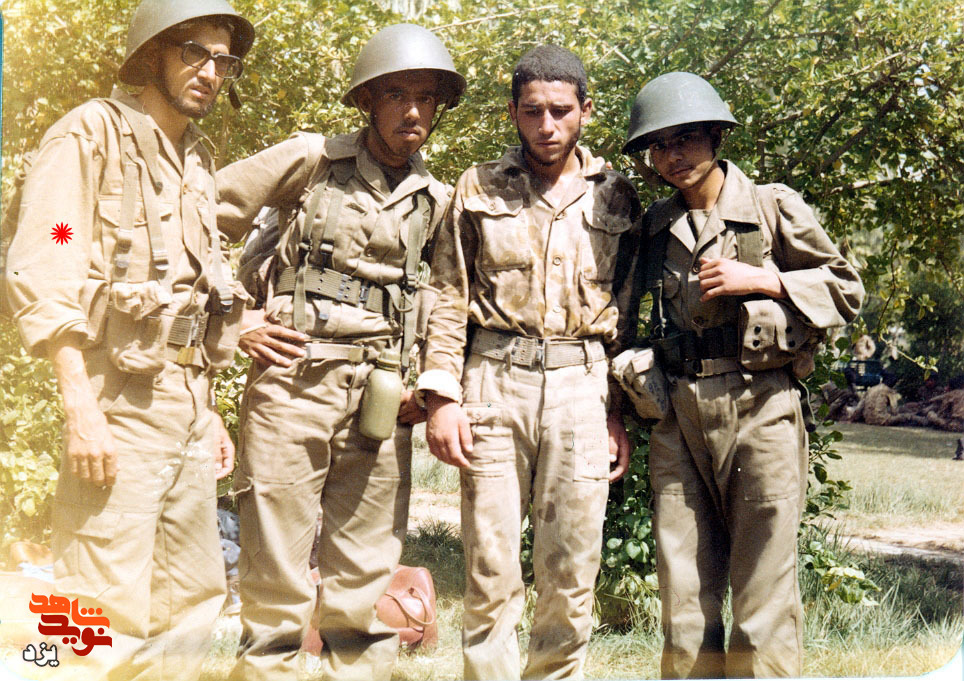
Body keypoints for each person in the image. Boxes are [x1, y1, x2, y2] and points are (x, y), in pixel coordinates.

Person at [2, 1, 255, 678]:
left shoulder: (197, 159)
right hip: (114, 401)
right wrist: (79, 407)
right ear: (154, 54)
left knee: (192, 601)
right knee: (95, 612)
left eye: (223, 60)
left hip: (184, 404)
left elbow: (193, 295)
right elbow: (49, 258)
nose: (211, 72)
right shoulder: (89, 135)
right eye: (194, 53)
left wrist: (208, 411)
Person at [214, 24, 466, 681]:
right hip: (292, 382)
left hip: (383, 396)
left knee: (363, 579)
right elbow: (199, 216)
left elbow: (448, 301)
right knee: (275, 575)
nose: (413, 111)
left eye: (426, 98)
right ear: (366, 101)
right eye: (397, 95)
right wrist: (236, 319)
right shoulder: (311, 161)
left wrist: (434, 386)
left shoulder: (438, 202)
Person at [621, 72, 864, 678]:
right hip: (679, 415)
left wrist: (767, 279)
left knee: (763, 596)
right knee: (683, 597)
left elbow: (847, 289)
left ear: (716, 137)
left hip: (762, 407)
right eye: (659, 146)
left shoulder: (770, 206)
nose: (672, 156)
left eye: (686, 139)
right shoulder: (654, 226)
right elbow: (624, 321)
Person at [417, 45, 641, 679]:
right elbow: (447, 295)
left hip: (582, 387)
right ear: (513, 113)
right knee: (490, 569)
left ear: (586, 111)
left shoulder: (617, 197)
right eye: (533, 111)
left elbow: (625, 315)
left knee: (571, 570)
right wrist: (442, 398)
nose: (547, 125)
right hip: (493, 382)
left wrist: (615, 414)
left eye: (561, 111)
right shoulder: (478, 186)